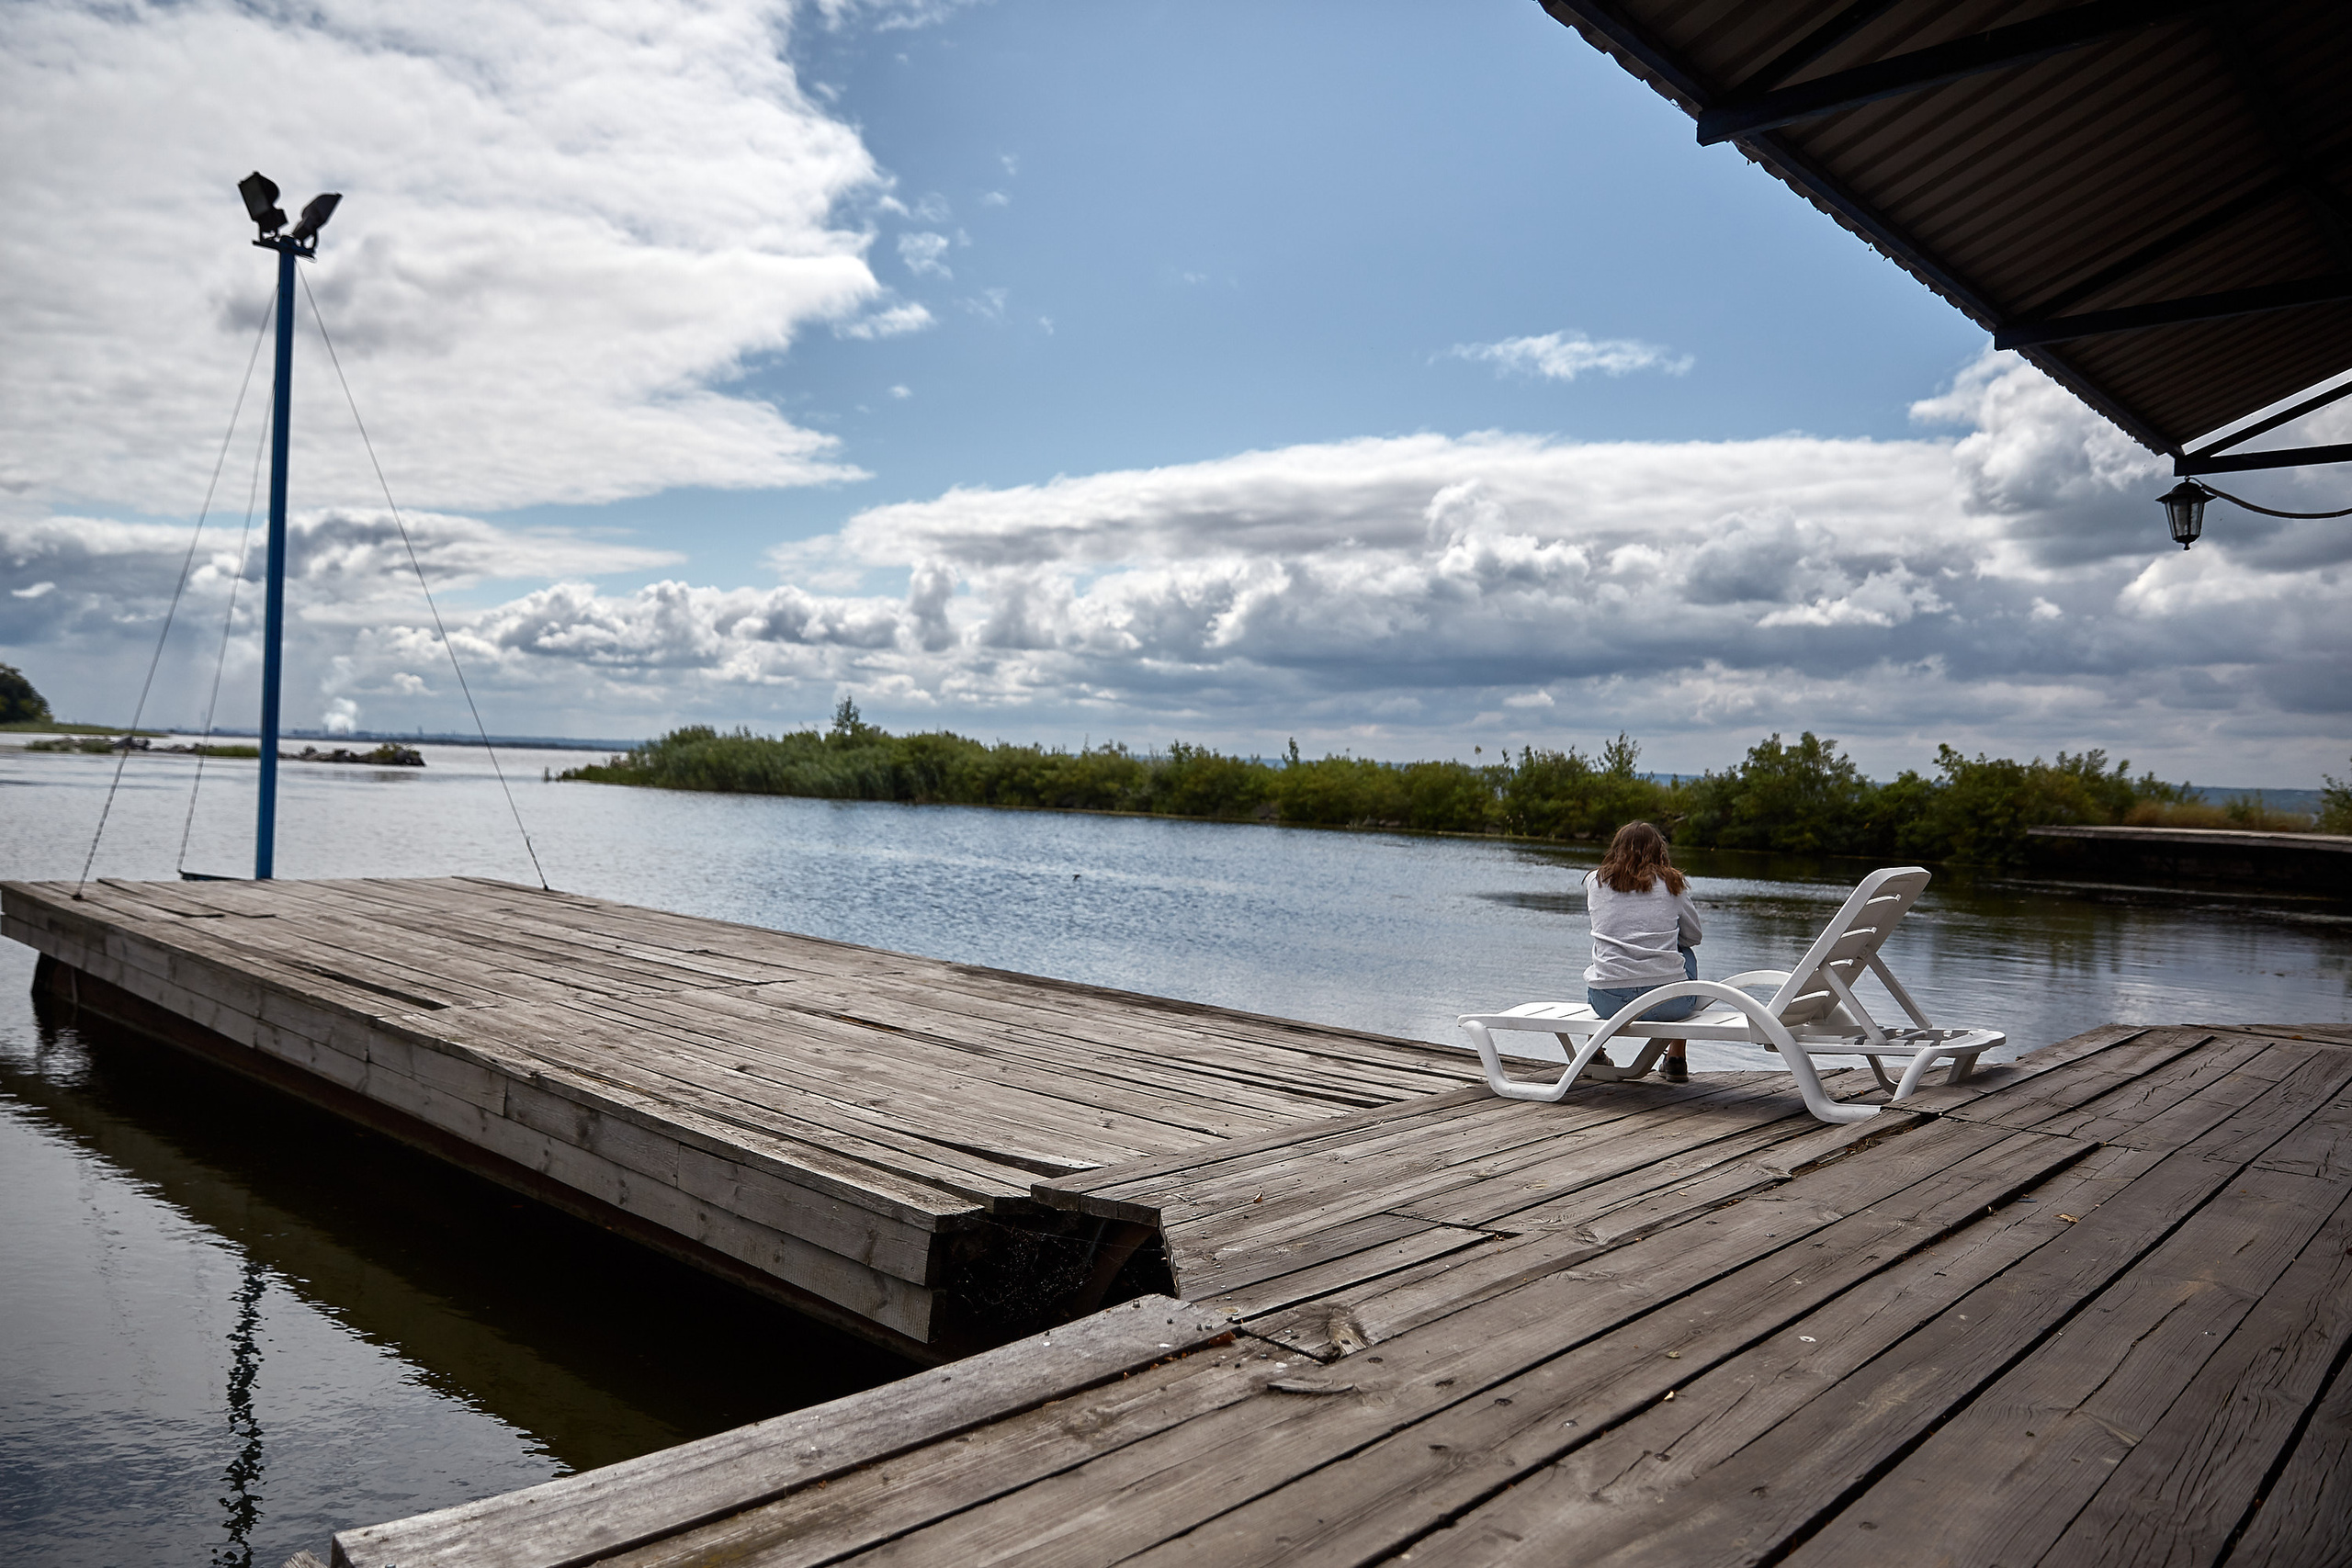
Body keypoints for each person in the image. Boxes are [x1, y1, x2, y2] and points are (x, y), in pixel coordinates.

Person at [1582, 820, 1702, 1083]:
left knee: (1606, 953)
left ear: (1617, 849)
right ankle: (1676, 1059)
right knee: (1685, 952)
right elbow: (1694, 936)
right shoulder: (1673, 883)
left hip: (1608, 1003)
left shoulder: (1595, 880)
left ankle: (1594, 1052)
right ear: (1659, 850)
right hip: (1669, 1004)